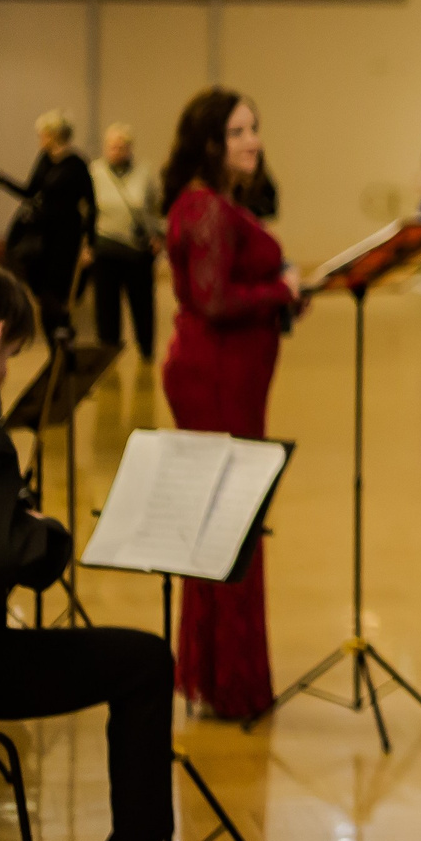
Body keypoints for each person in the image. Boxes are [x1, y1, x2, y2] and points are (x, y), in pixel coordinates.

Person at [0, 263, 250, 841]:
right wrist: (50, 537)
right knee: (142, 661)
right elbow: (10, 555)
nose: (5, 372)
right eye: (10, 355)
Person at [159, 89, 302, 721]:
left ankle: (218, 676)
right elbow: (213, 301)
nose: (253, 140)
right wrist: (280, 288)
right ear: (211, 142)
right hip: (215, 378)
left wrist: (282, 297)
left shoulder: (213, 205)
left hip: (229, 374)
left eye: (256, 127)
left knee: (229, 522)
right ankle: (229, 682)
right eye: (239, 131)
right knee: (231, 523)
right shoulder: (207, 208)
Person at [0, 111, 95, 345]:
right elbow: (30, 192)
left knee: (57, 296)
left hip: (66, 237)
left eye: (43, 134)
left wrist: (89, 243)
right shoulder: (45, 159)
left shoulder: (76, 164)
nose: (40, 138)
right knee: (43, 295)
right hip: (42, 238)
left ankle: (63, 346)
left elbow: (91, 205)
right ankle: (57, 348)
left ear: (54, 135)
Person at [89, 123, 164, 362]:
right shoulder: (95, 172)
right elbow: (86, 211)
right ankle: (108, 352)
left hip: (137, 249)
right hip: (106, 247)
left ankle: (146, 350)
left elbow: (155, 207)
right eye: (113, 146)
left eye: (122, 146)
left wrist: (158, 235)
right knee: (106, 307)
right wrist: (85, 245)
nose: (117, 151)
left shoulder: (144, 172)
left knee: (142, 305)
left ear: (130, 148)